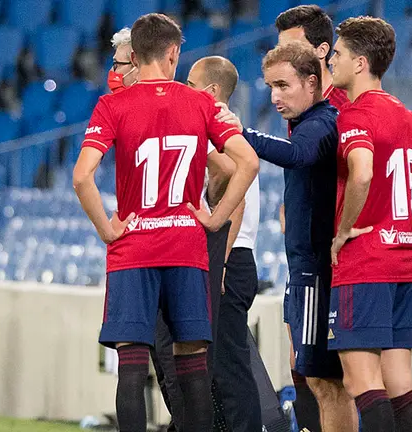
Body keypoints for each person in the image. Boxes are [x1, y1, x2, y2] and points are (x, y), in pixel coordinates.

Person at [72, 13, 258, 432]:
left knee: (132, 368)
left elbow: (82, 177)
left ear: (135, 56)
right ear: (174, 53)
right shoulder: (202, 103)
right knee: (193, 369)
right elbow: (247, 163)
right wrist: (216, 219)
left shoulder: (112, 105)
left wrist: (107, 229)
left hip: (133, 249)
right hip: (186, 247)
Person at [327, 16, 412, 432]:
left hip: (364, 262)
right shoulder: (403, 113)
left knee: (361, 381)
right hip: (401, 260)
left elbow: (362, 173)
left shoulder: (355, 115)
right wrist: (409, 227)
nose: (331, 61)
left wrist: (344, 229)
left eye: (338, 53)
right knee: (400, 381)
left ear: (360, 63)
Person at [218, 41, 359, 432]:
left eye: (283, 85)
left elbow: (296, 154)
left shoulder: (323, 122)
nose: (275, 97)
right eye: (270, 87)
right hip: (303, 267)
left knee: (326, 382)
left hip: (316, 268)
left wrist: (240, 133)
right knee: (317, 379)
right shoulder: (307, 123)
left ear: (311, 83)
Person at [274, 6, 351, 431]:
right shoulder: (301, 104)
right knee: (300, 364)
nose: (283, 57)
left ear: (322, 51)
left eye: (293, 48)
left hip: (326, 256)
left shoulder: (338, 107)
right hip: (302, 251)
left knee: (327, 376)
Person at [186, 55, 265, 432]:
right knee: (215, 365)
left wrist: (219, 260)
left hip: (230, 259)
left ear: (211, 90)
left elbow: (236, 192)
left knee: (228, 367)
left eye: (191, 84)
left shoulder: (220, 133)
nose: (185, 91)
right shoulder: (229, 131)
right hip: (231, 258)